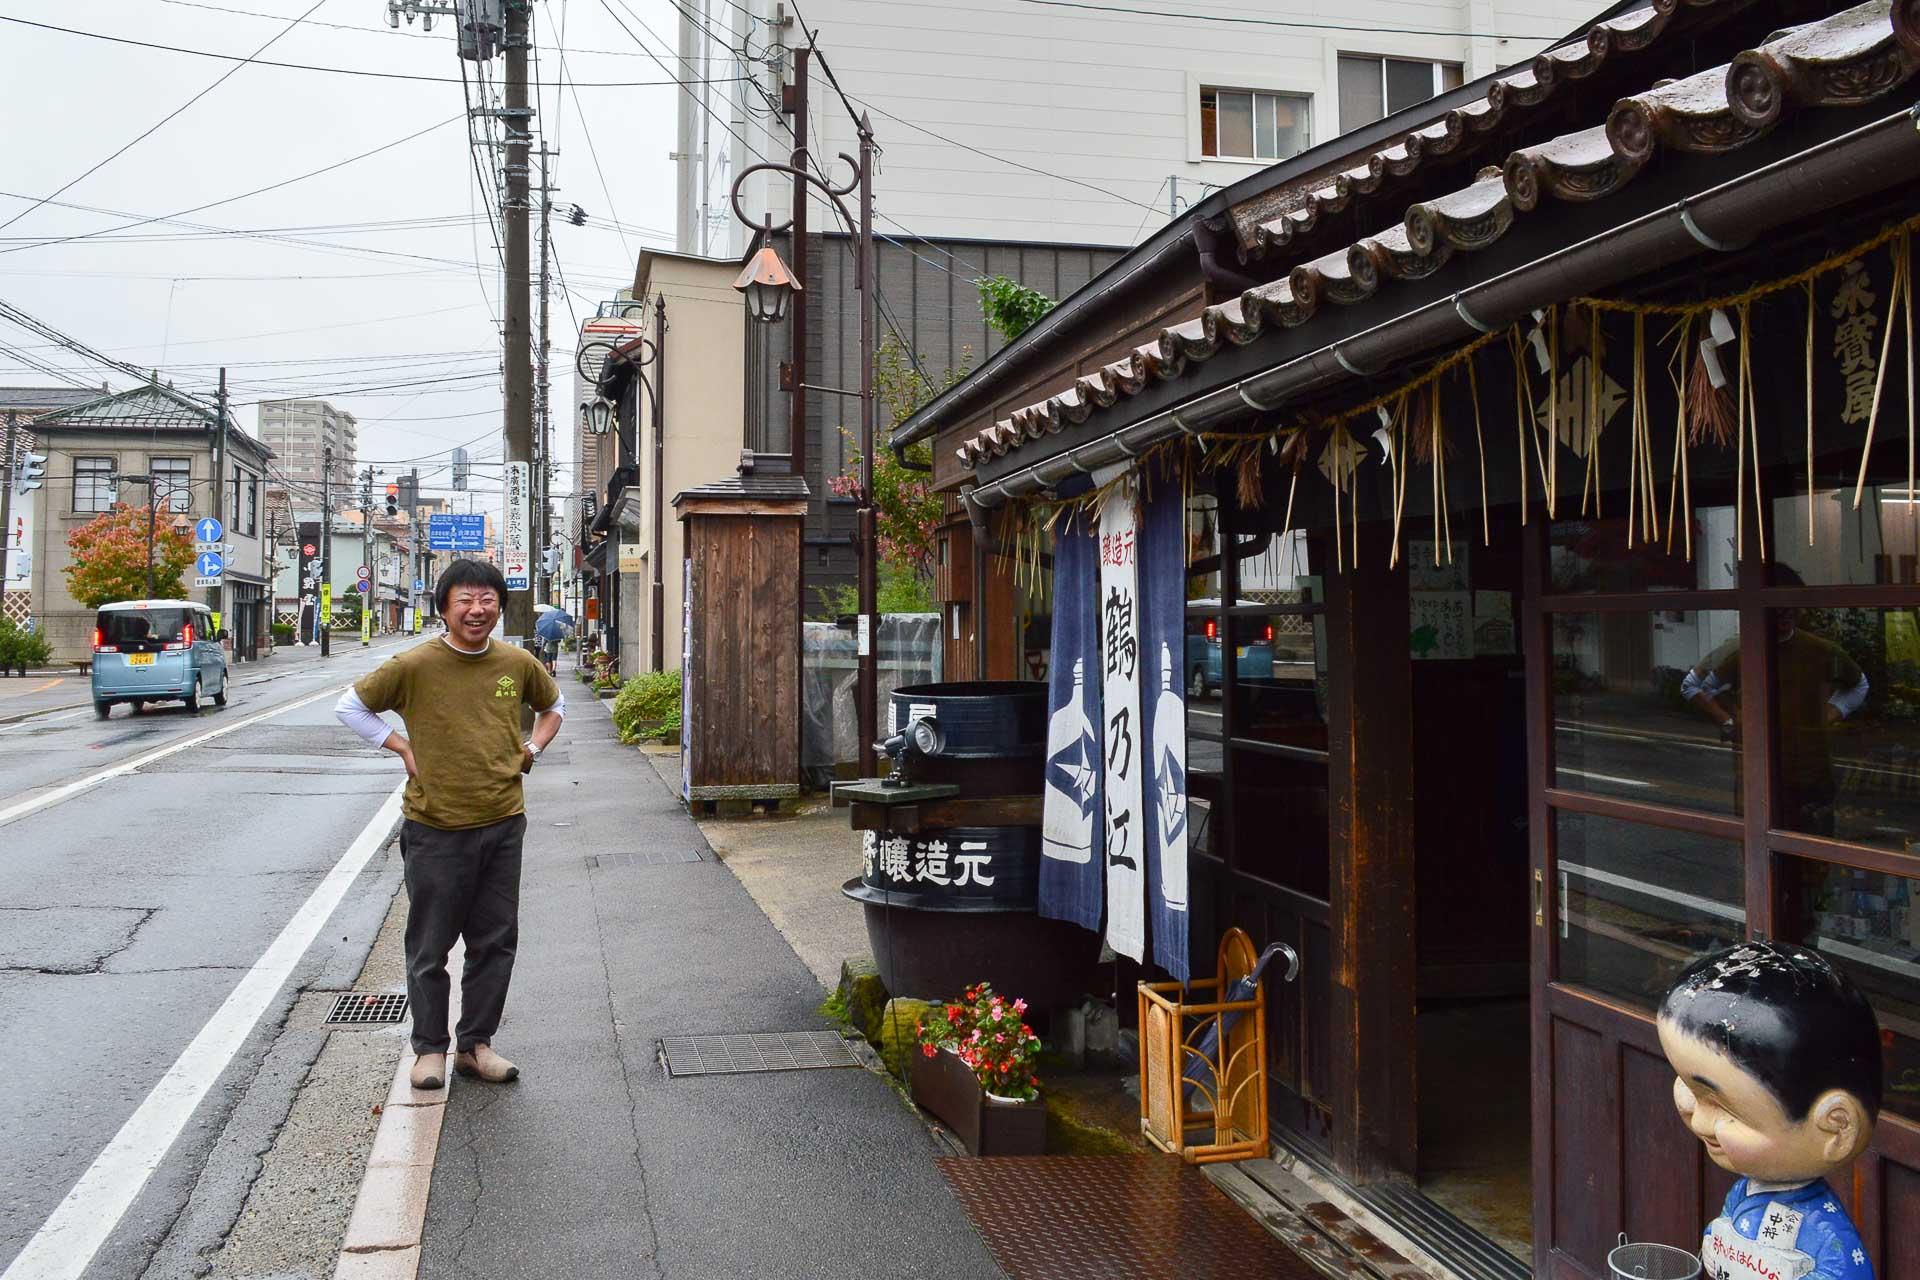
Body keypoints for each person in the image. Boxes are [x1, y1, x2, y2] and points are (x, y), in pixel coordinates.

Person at [333, 558, 565, 1089]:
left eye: (486, 600)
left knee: (494, 941)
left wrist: (532, 747)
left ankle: (476, 1045)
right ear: (443, 608)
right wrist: (401, 747)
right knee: (429, 945)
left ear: (499, 606)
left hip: (503, 821)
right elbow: (351, 707)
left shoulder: (516, 662)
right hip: (435, 826)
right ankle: (430, 1049)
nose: (476, 610)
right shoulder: (415, 665)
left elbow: (555, 708)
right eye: (464, 600)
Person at [1658, 942, 1881, 1280]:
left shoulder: (1824, 1232)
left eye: (1723, 1106)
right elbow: (1723, 1234)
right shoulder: (1744, 1192)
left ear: (1834, 1128)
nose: (1700, 1120)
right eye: (1692, 1089)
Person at [1682, 567, 1867, 834]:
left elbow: (1859, 684)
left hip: (1811, 777)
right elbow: (1695, 686)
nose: (1786, 612)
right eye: (1778, 605)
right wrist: (1730, 722)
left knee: (1812, 855)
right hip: (1759, 776)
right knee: (1760, 849)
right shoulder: (1741, 649)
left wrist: (1829, 716)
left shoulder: (1820, 650)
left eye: (1792, 605)